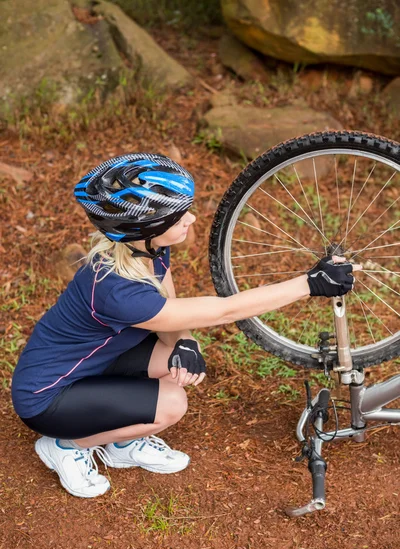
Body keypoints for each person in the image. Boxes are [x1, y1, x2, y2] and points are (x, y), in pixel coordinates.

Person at [11, 153, 356, 499]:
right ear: (147, 226)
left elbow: (171, 305)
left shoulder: (144, 249)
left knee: (170, 353)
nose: (191, 218)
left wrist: (185, 341)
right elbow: (224, 311)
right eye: (179, 216)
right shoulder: (117, 290)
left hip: (90, 362)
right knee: (172, 403)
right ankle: (67, 445)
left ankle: (122, 442)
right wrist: (309, 284)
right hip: (47, 397)